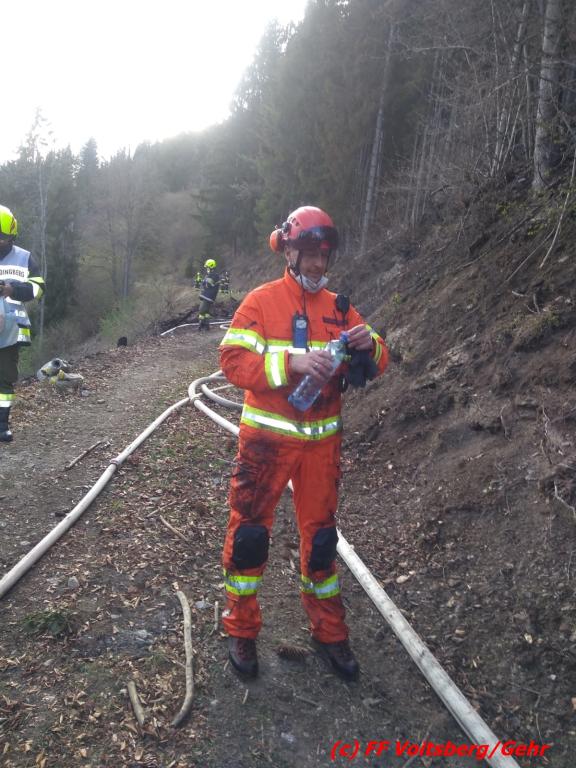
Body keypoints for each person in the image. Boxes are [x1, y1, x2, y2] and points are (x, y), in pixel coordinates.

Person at [219, 206, 388, 680]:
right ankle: (241, 629)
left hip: (321, 447)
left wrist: (368, 345)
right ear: (288, 252)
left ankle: (330, 632)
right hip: (266, 444)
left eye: (323, 255)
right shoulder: (261, 301)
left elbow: (381, 358)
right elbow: (231, 361)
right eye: (309, 253)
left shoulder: (340, 308)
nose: (317, 263)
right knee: (250, 537)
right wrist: (289, 364)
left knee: (322, 542)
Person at [0, 205, 45, 442]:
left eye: (2, 237)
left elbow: (38, 288)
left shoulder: (25, 257)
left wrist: (12, 290)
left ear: (12, 236)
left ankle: (1, 425)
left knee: (4, 378)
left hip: (10, 331)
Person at [197, 258, 220, 330]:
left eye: (207, 267)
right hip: (208, 296)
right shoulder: (211, 275)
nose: (206, 269)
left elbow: (207, 284)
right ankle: (206, 325)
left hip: (208, 296)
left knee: (201, 310)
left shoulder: (213, 275)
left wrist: (204, 282)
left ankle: (201, 325)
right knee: (206, 311)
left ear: (211, 267)